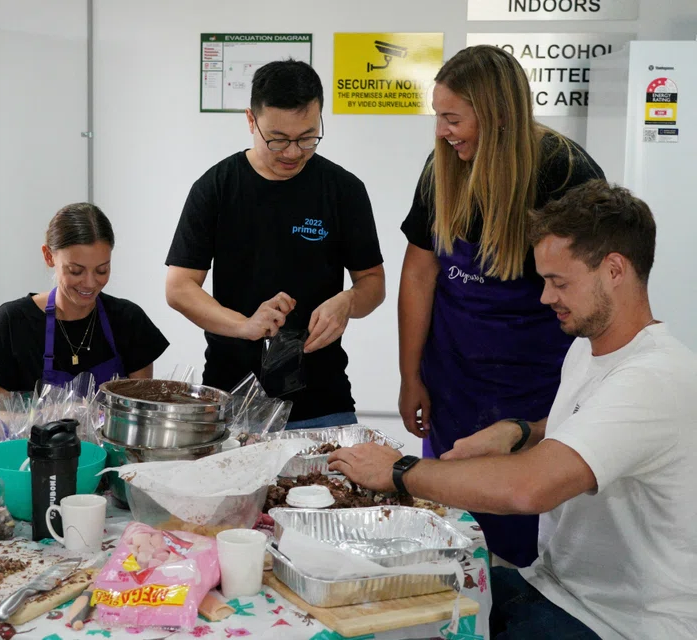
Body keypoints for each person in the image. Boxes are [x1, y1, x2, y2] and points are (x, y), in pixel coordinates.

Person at [331, 180, 697, 639]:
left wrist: (399, 471)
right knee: (384, 606)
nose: (545, 297)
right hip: (551, 588)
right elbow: (598, 429)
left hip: (616, 624)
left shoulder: (656, 377)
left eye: (559, 282)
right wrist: (521, 431)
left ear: (614, 270)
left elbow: (529, 489)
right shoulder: (588, 349)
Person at [398, 44, 605, 567]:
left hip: (534, 381)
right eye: (438, 117)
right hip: (453, 377)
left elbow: (595, 291)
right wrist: (409, 375)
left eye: (453, 118)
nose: (442, 131)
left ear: (496, 114)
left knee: (525, 533)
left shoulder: (564, 173)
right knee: (450, 524)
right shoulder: (441, 168)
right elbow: (419, 273)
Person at [165, 59, 385, 429]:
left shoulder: (343, 190)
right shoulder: (216, 187)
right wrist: (244, 325)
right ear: (251, 120)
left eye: (307, 137)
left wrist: (348, 301)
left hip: (322, 401)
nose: (293, 152)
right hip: (231, 401)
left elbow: (373, 283)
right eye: (278, 139)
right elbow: (179, 288)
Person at [0, 202, 169, 411]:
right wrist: (55, 415)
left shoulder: (129, 321)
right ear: (48, 256)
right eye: (75, 271)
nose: (90, 283)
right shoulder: (12, 323)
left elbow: (140, 414)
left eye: (101, 270)